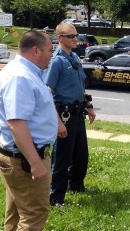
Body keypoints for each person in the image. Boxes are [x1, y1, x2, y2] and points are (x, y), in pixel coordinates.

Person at [0, 30, 58, 230]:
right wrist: (35, 162)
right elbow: (17, 124)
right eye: (49, 50)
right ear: (36, 50)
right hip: (25, 160)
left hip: (20, 157)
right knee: (34, 214)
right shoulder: (20, 77)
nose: (51, 55)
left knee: (15, 214)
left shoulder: (26, 72)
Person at [44, 23, 96, 207]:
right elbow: (46, 94)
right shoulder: (56, 61)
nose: (76, 39)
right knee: (61, 158)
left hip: (77, 113)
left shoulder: (74, 57)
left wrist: (88, 105)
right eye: (71, 36)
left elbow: (80, 86)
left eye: (76, 35)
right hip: (63, 115)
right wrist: (58, 123)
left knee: (81, 154)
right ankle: (56, 197)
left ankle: (76, 185)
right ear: (59, 37)